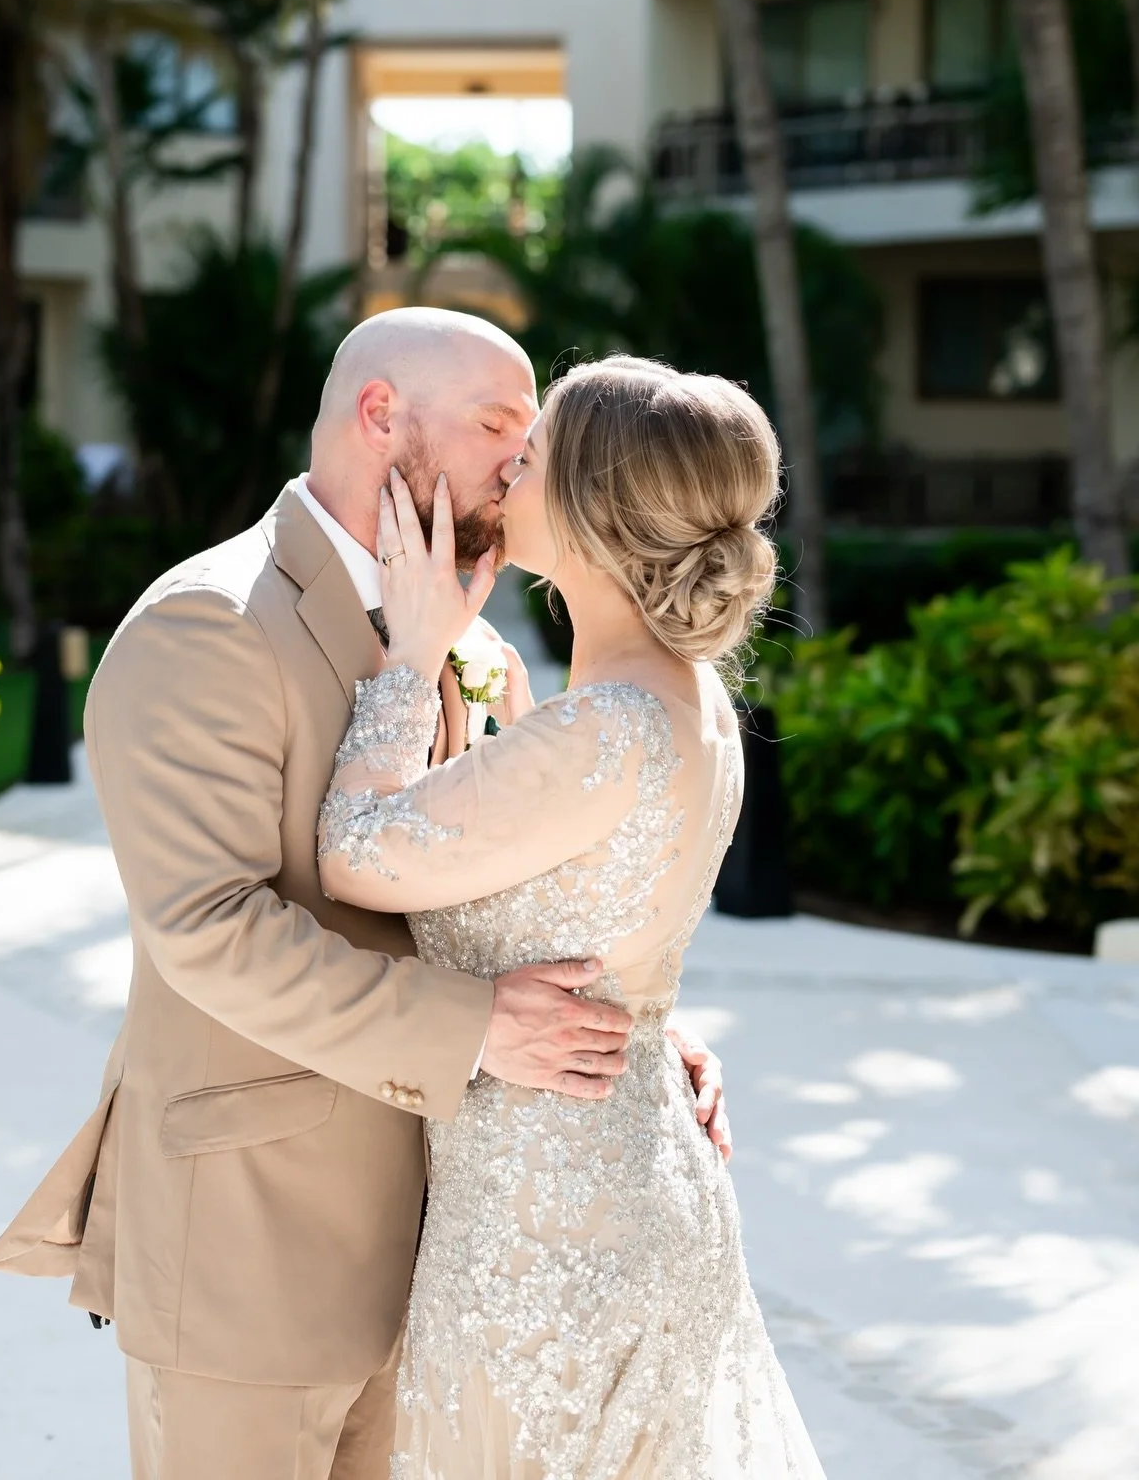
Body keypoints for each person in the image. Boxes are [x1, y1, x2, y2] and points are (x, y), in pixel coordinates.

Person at [0, 309, 728, 1480]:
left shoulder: (479, 642)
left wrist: (629, 1025)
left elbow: (519, 883)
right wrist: (480, 1026)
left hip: (457, 1263)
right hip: (255, 1252)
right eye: (500, 425)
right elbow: (207, 929)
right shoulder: (206, 626)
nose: (521, 461)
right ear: (383, 415)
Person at [318, 356, 826, 1479]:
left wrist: (411, 658)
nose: (508, 467)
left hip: (543, 1237)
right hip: (635, 1174)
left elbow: (351, 853)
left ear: (594, 508)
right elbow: (603, 905)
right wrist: (657, 1023)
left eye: (534, 453)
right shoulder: (692, 701)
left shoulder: (604, 729)